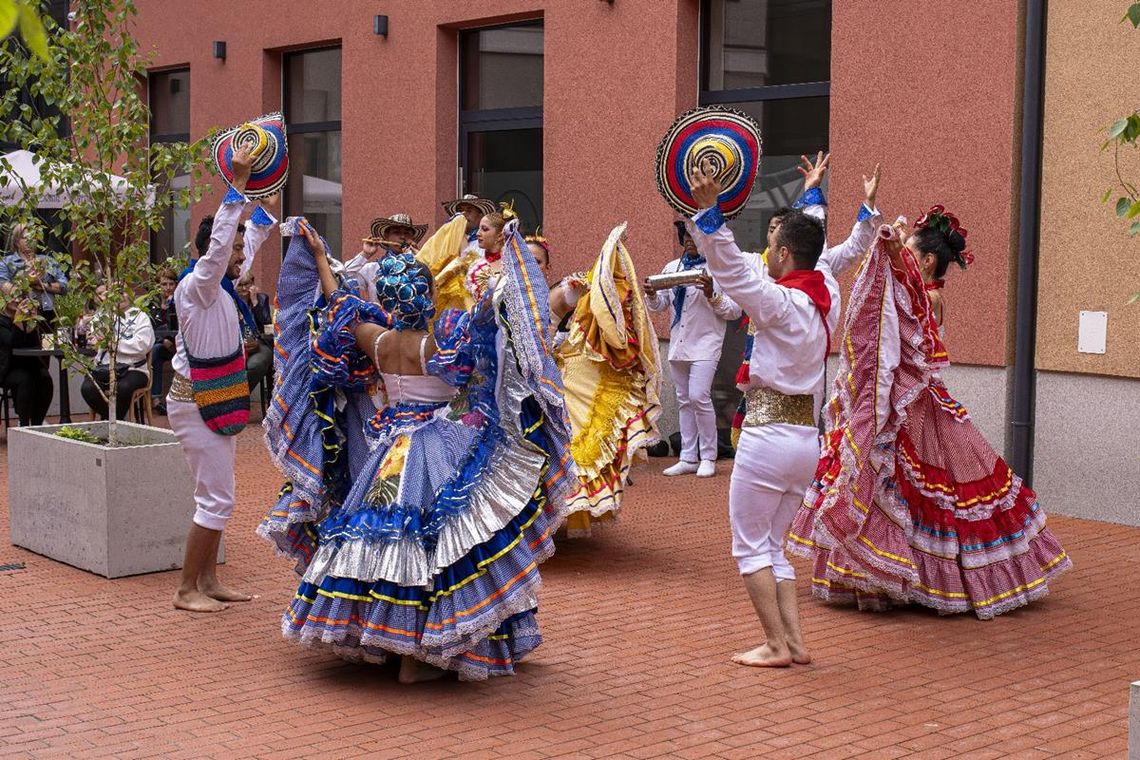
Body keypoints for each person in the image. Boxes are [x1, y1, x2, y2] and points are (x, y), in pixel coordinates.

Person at [259, 211, 574, 682]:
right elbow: (493, 330)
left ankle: (384, 641)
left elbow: (338, 299)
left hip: (387, 451)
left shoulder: (375, 339)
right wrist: (510, 276)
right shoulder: (442, 338)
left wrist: (322, 257)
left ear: (386, 297)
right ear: (426, 295)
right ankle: (418, 656)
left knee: (381, 543)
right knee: (442, 547)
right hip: (437, 444)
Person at [788, 207, 1072, 619]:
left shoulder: (930, 297)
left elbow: (914, 324)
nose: (904, 253)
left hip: (919, 404)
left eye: (910, 251)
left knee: (922, 492)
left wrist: (892, 251)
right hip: (910, 403)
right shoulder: (917, 292)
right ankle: (887, 571)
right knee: (898, 487)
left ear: (926, 262)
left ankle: (924, 577)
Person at [685, 158, 838, 668]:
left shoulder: (780, 302)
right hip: (804, 441)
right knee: (774, 548)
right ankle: (793, 644)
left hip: (768, 435)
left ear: (785, 254)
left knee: (750, 549)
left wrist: (712, 213)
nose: (766, 255)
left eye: (773, 248)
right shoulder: (824, 297)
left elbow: (730, 269)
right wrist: (812, 196)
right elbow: (811, 245)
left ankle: (775, 644)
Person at [168, 146, 271, 613]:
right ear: (213, 251)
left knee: (218, 498)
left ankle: (208, 581)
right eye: (230, 251)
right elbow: (222, 250)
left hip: (211, 399)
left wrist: (266, 206)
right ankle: (187, 589)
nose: (238, 260)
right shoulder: (199, 286)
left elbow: (244, 249)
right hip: (196, 403)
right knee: (214, 499)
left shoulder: (220, 286)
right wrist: (238, 188)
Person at [730, 154, 883, 446]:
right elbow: (726, 277)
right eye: (772, 229)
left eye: (781, 229)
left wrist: (868, 205)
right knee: (753, 428)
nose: (776, 234)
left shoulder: (814, 265)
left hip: (801, 369)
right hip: (761, 360)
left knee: (799, 431)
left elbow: (854, 247)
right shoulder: (754, 265)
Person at [547, 224, 662, 537]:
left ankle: (554, 522)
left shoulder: (568, 292)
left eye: (539, 260)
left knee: (576, 449)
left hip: (566, 382)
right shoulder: (535, 296)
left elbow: (602, 316)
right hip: (542, 384)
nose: (535, 265)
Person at [644, 222, 741, 478]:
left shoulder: (719, 270)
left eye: (694, 236)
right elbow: (659, 306)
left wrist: (712, 294)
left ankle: (708, 455)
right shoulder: (671, 268)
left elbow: (733, 310)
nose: (689, 241)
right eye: (685, 235)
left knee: (699, 396)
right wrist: (652, 294)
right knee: (684, 400)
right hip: (679, 343)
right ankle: (688, 456)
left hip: (707, 343)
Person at [80, 285, 155, 420]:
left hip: (133, 368)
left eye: (123, 292)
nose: (119, 296)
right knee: (88, 388)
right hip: (104, 368)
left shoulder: (140, 316)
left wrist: (113, 344)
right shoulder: (101, 317)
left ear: (130, 294)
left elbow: (142, 346)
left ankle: (112, 423)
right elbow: (94, 341)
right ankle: (113, 422)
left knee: (122, 388)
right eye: (114, 293)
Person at [341, 214, 428, 303]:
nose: (402, 237)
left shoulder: (421, 266)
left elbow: (433, 287)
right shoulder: (373, 269)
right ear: (386, 236)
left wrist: (418, 259)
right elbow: (343, 276)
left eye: (407, 233)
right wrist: (365, 254)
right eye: (396, 232)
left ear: (412, 238)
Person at [0, 222, 68, 326]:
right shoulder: (6, 262)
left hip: (47, 315)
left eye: (33, 237)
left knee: (46, 341)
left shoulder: (48, 261)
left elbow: (65, 286)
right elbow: (3, 285)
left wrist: (43, 285)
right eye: (25, 238)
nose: (30, 241)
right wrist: (28, 281)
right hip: (18, 314)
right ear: (17, 241)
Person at [0, 296, 52, 426]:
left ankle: (37, 424)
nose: (17, 300)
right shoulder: (1, 321)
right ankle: (23, 425)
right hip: (6, 367)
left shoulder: (27, 319)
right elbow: (11, 343)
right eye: (12, 297)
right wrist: (17, 322)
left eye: (19, 297)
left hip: (29, 364)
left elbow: (34, 344)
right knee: (25, 378)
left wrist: (30, 326)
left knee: (45, 377)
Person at [149, 266, 179, 415]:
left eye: (171, 284)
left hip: (179, 345)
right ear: (158, 286)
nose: (168, 288)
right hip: (161, 346)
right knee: (156, 352)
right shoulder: (151, 305)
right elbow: (148, 327)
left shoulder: (179, 301)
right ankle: (156, 399)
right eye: (164, 284)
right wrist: (162, 340)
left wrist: (172, 340)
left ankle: (179, 399)